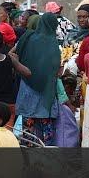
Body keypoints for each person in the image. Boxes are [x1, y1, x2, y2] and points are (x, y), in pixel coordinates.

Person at [14, 12, 61, 146]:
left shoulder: (28, 38)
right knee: (47, 136)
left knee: (28, 134)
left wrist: (21, 68)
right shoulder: (53, 44)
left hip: (28, 90)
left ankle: (28, 162)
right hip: (46, 95)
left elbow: (12, 54)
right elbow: (55, 71)